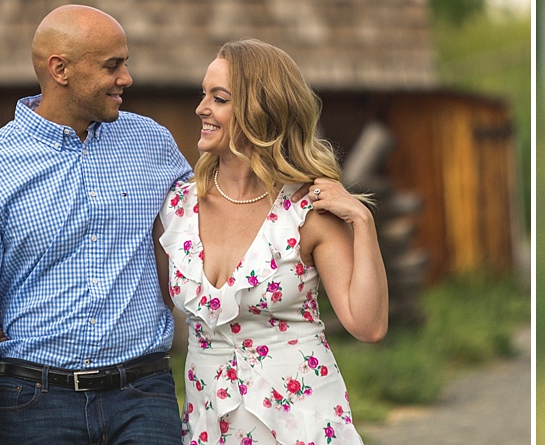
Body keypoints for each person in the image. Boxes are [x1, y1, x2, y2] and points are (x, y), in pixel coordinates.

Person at [0, 7, 189, 445]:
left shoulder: (152, 143)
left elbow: (216, 214)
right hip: (37, 402)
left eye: (124, 63)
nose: (126, 77)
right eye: (113, 65)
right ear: (60, 70)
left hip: (144, 394)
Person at [159, 39, 387, 445]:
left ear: (258, 110)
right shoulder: (178, 205)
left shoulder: (307, 211)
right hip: (209, 423)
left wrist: (362, 220)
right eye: (203, 94)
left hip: (301, 422)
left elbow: (367, 325)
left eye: (220, 98)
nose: (201, 108)